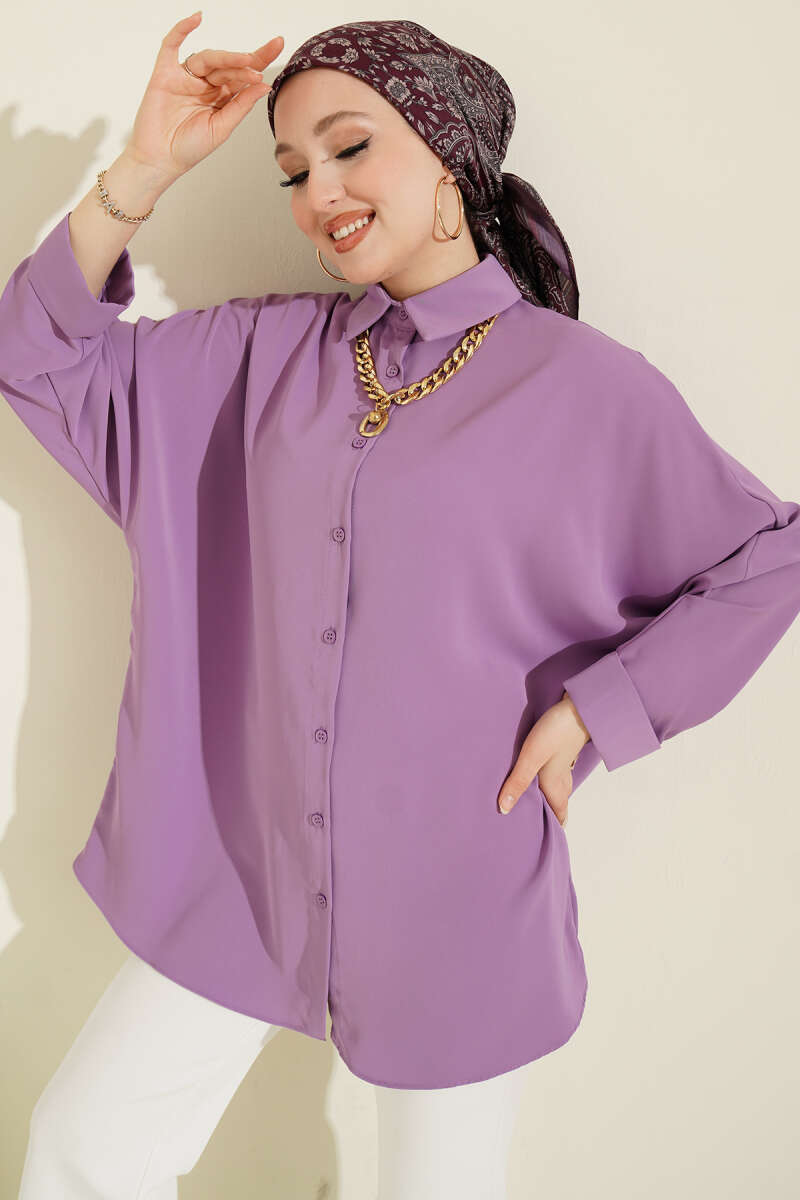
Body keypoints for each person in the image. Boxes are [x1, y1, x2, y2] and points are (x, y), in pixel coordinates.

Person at [3, 14, 799, 1200]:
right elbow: (37, 357)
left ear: (445, 155)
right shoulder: (257, 358)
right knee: (84, 1149)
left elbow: (765, 555)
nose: (316, 191)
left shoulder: (582, 387)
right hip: (240, 870)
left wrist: (599, 710)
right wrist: (146, 169)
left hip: (458, 890)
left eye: (347, 147)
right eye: (291, 170)